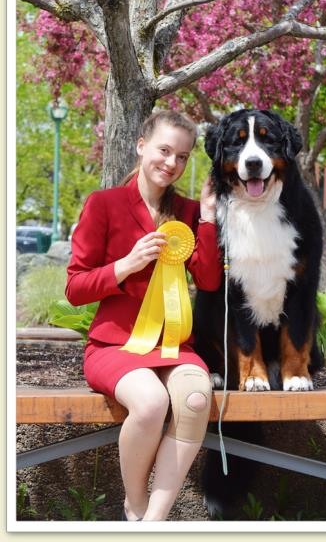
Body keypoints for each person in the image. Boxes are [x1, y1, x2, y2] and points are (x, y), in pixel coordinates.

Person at [65, 109, 221, 522]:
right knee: (151, 403)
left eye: (182, 157)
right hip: (113, 346)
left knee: (195, 397)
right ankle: (134, 507)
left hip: (173, 347)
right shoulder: (103, 204)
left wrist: (206, 218)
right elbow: (74, 288)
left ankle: (153, 524)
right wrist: (126, 265)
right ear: (140, 146)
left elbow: (207, 282)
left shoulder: (188, 212)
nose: (171, 163)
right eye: (164, 150)